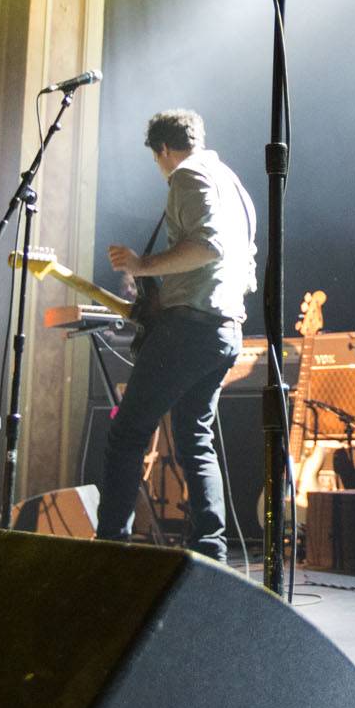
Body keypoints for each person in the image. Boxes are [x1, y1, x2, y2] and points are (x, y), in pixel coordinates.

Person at [99, 110, 258, 562]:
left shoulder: (187, 176)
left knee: (127, 433)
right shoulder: (234, 184)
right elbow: (241, 266)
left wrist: (141, 265)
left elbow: (208, 247)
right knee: (194, 434)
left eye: (157, 159)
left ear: (163, 150)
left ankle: (110, 546)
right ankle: (210, 550)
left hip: (191, 328)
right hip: (226, 330)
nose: (161, 167)